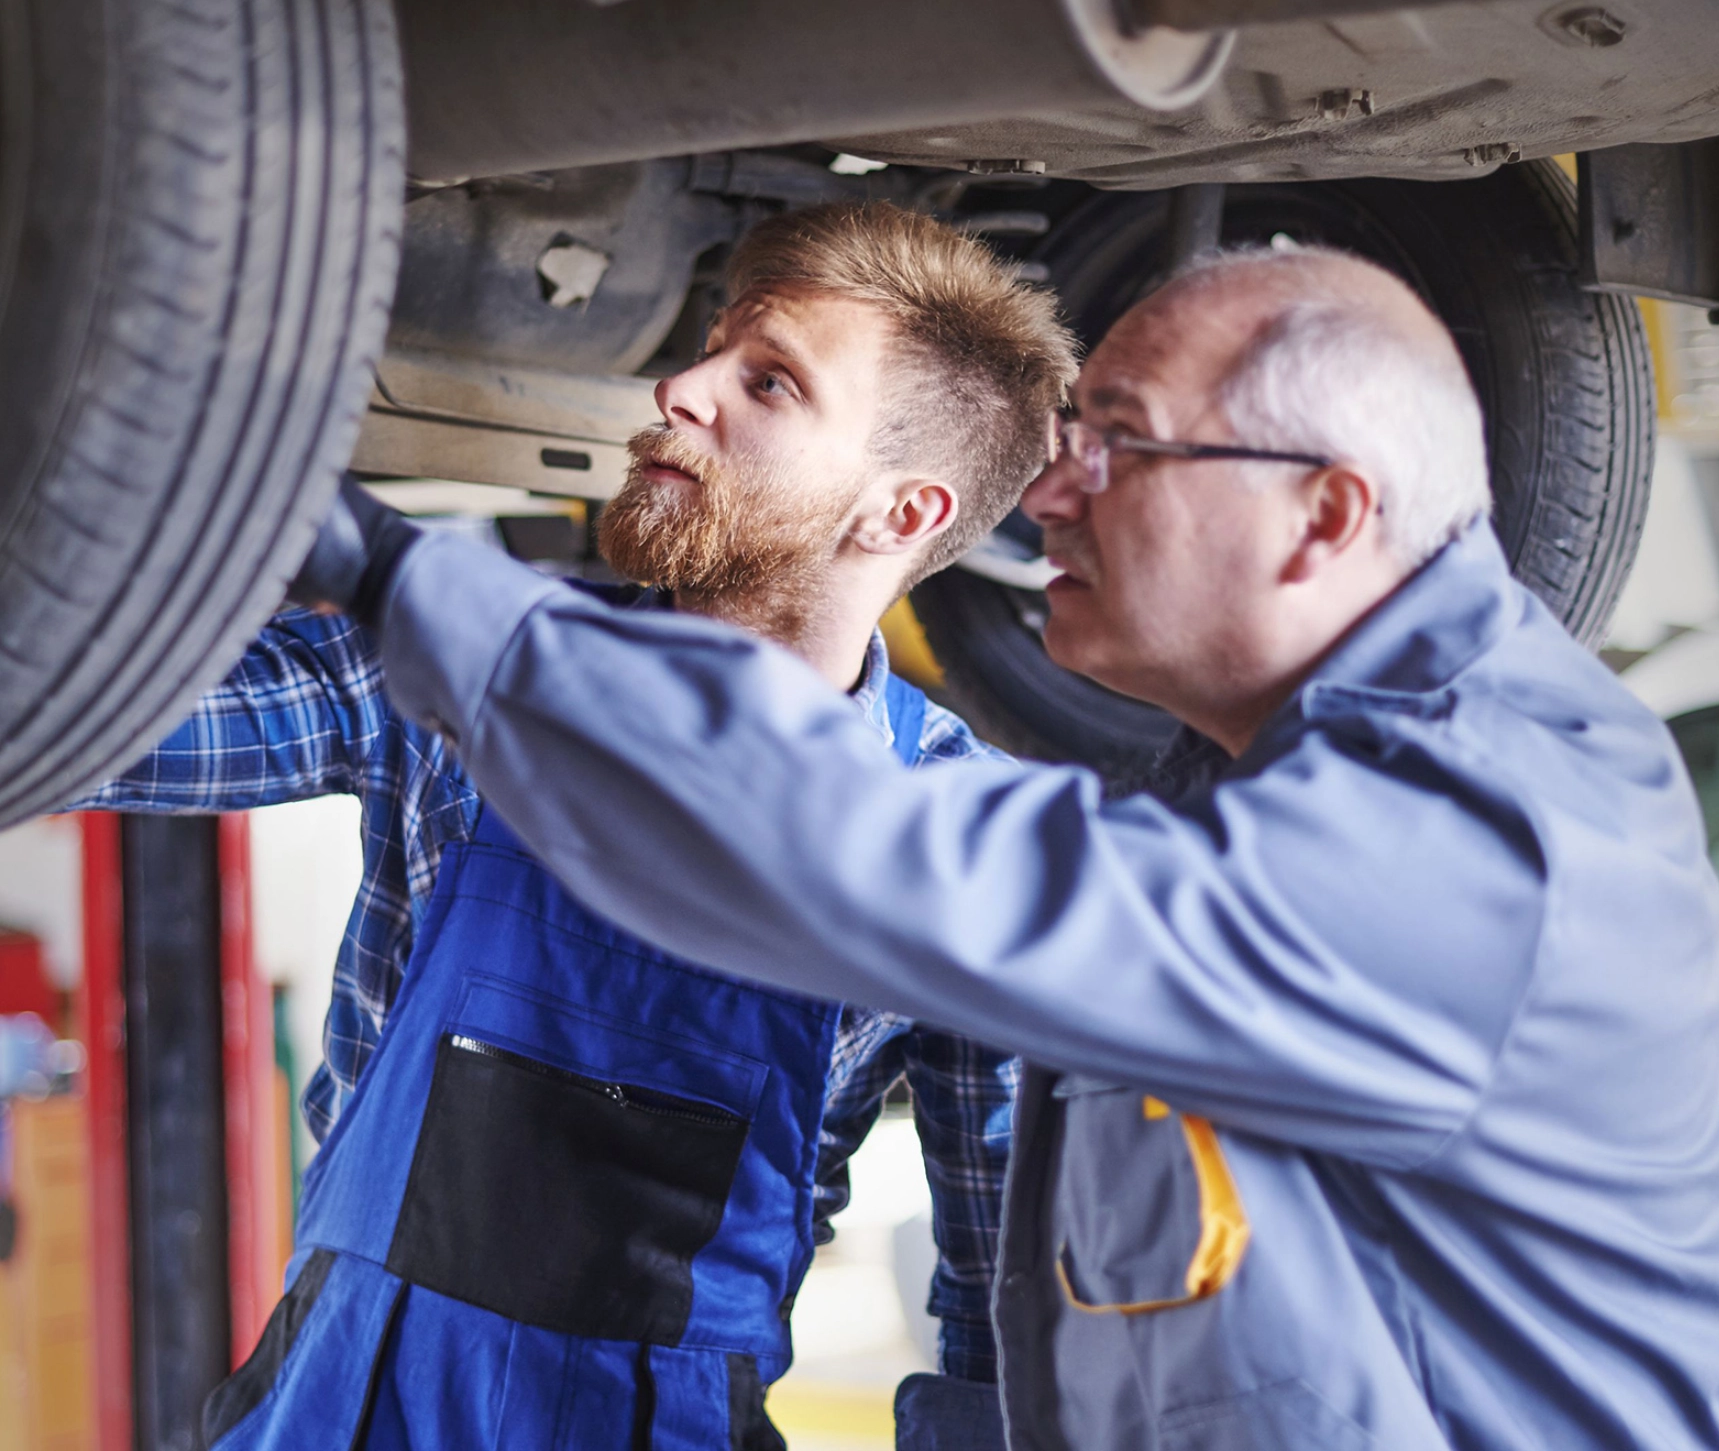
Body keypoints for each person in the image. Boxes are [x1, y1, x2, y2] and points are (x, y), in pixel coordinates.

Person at [299, 242, 1719, 1450]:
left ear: (1323, 515)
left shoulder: (1488, 834)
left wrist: (387, 575)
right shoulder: (1237, 792)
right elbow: (1045, 1329)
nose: (1051, 495)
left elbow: (875, 851)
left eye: (1121, 446)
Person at [78, 202, 1077, 1451]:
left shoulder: (964, 840)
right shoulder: (471, 648)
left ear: (902, 513)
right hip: (332, 1402)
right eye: (712, 348)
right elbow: (93, 719)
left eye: (767, 383)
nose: (681, 387)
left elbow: (1004, 1318)